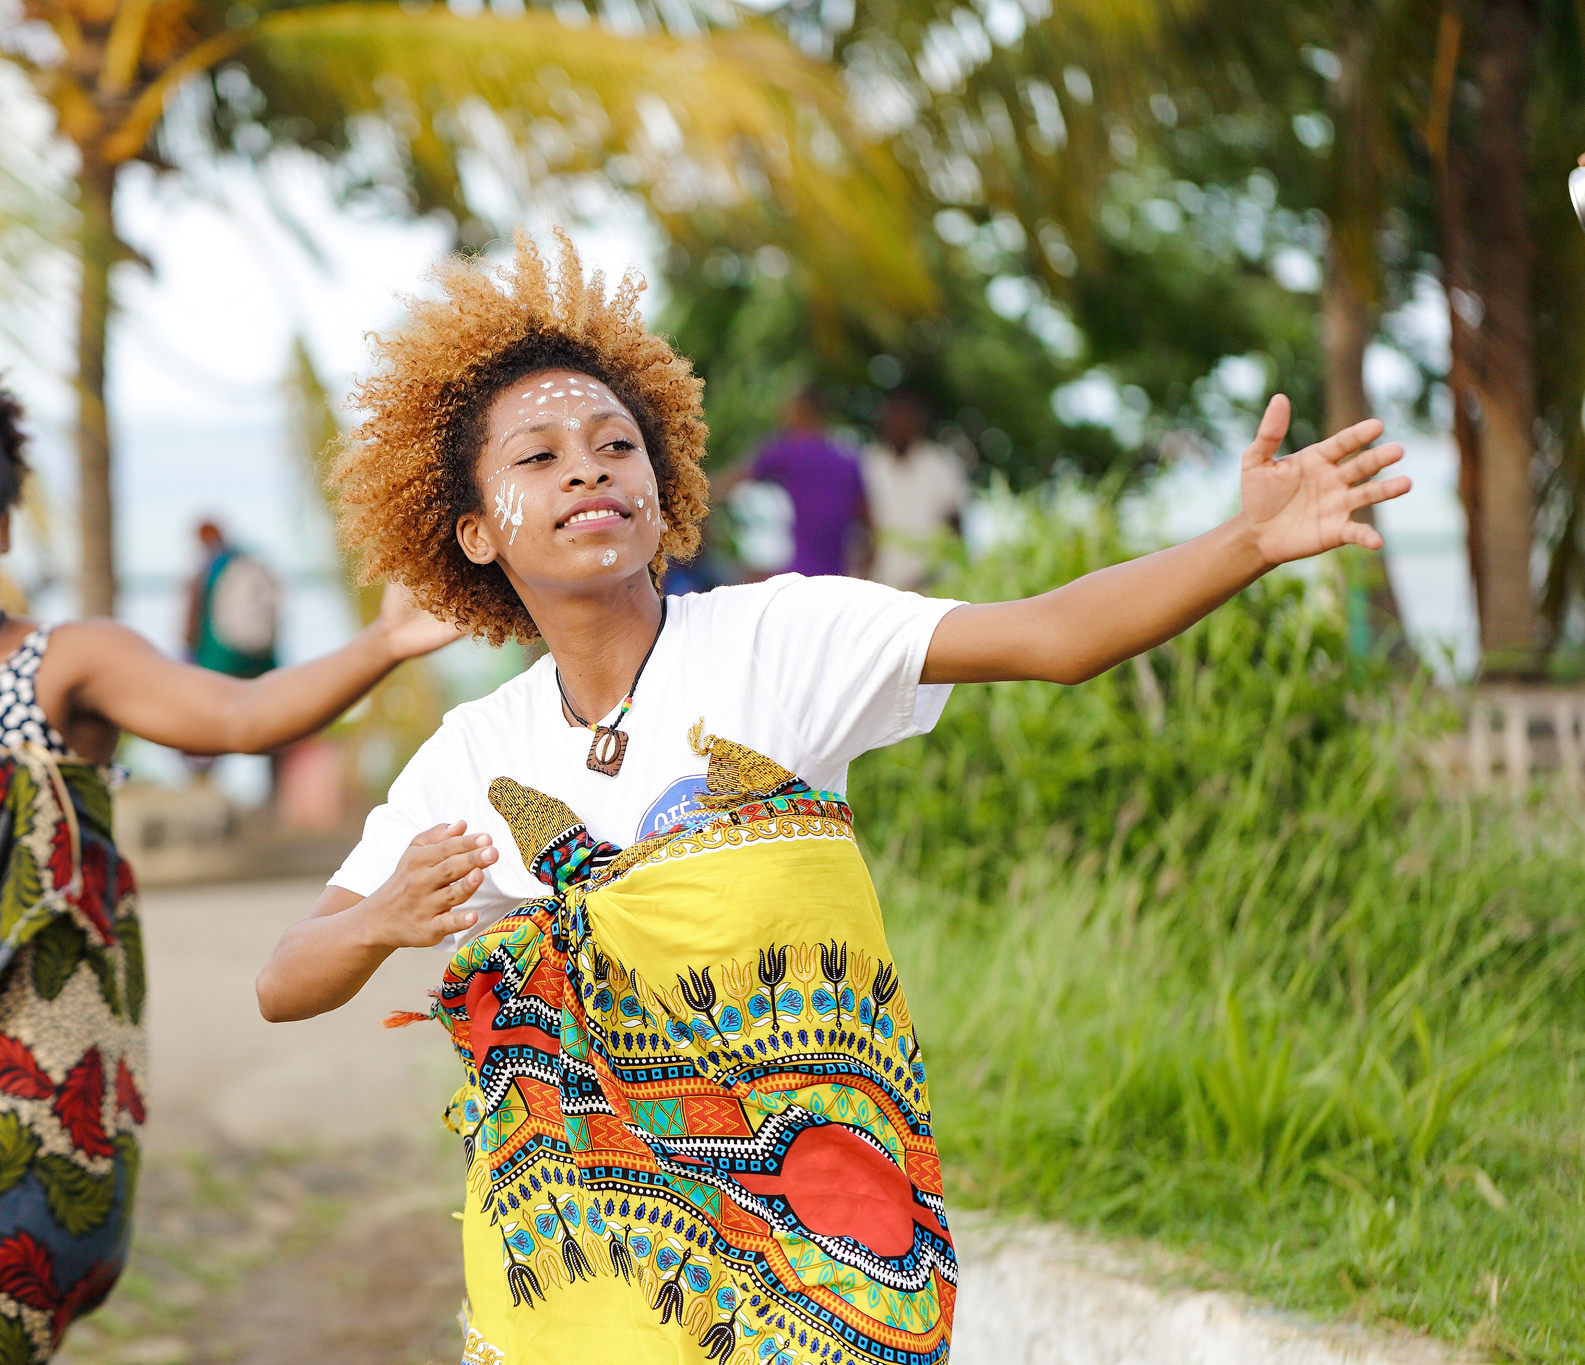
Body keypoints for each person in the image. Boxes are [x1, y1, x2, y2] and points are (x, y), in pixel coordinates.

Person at [252, 231, 1409, 1365]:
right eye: (538, 458)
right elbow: (283, 981)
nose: (587, 471)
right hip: (586, 1299)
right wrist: (378, 920)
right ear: (472, 532)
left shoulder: (781, 639)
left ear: (662, 488)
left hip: (818, 1268)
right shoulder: (472, 754)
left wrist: (1244, 542)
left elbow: (1051, 637)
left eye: (615, 445)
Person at [0, 346, 458, 1365]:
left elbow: (238, 714)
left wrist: (379, 645)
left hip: (16, 1102)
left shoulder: (66, 662)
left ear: (1, 523)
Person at [742, 386, 869, 578]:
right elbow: (867, 521)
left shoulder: (787, 451)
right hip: (837, 574)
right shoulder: (848, 459)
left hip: (797, 571)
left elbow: (737, 478)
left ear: (802, 411)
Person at [860, 388, 970, 591]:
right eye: (895, 416)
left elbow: (954, 527)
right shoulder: (868, 465)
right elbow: (862, 530)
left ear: (919, 421)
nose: (900, 423)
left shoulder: (940, 466)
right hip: (881, 585)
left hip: (933, 587)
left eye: (907, 416)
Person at [183, 518, 281, 680]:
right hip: (261, 660)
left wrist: (188, 648)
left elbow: (193, 613)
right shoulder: (249, 560)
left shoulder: (209, 568)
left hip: (219, 661)